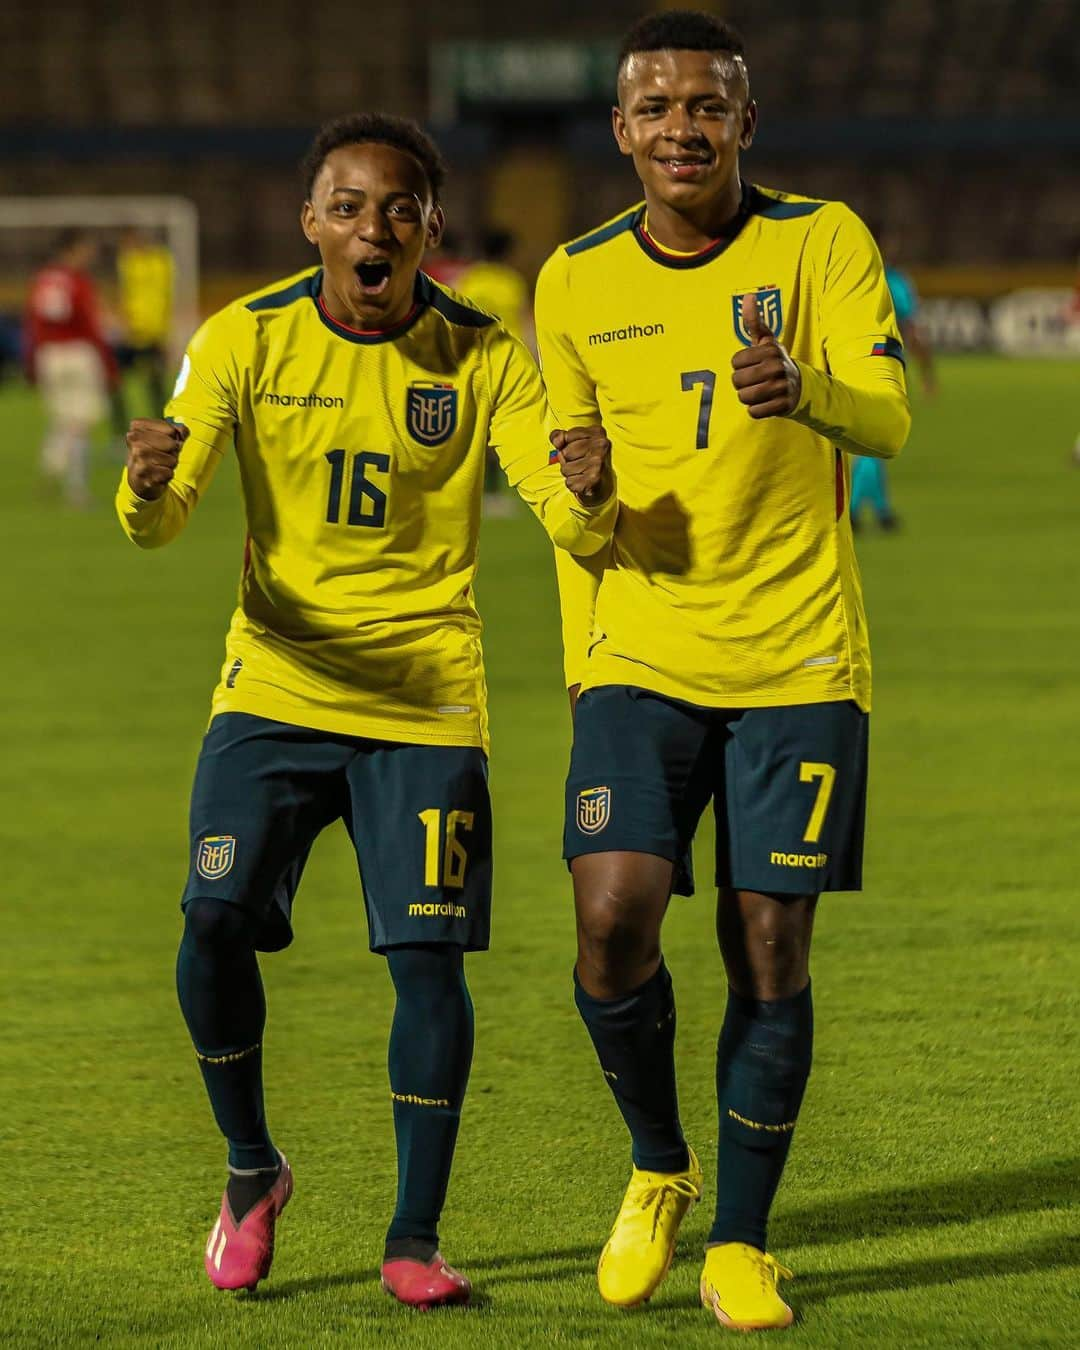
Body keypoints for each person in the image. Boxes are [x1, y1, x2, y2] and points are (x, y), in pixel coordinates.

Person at [115, 113, 614, 1309]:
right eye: (347, 206)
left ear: (432, 227)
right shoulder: (244, 336)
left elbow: (557, 507)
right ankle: (250, 1171)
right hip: (275, 688)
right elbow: (166, 511)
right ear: (311, 223)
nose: (372, 227)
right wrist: (142, 488)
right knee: (212, 929)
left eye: (398, 208)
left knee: (428, 966)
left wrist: (589, 496)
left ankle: (412, 1236)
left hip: (426, 702)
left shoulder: (484, 353)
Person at [534, 11, 909, 1332]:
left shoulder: (822, 243)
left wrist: (807, 387)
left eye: (709, 106)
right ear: (624, 129)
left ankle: (741, 1240)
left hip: (799, 652)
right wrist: (579, 511)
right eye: (657, 107)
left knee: (769, 938)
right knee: (610, 915)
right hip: (638, 652)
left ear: (746, 123)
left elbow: (893, 416)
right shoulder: (574, 279)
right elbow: (571, 507)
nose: (682, 127)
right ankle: (657, 1162)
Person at [24, 228, 117, 507]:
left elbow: (33, 323)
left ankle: (51, 466)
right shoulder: (79, 282)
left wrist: (31, 360)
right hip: (78, 353)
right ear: (72, 250)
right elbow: (90, 325)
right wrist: (108, 364)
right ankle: (76, 487)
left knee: (65, 417)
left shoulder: (42, 280)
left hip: (49, 354)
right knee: (81, 421)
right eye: (86, 249)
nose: (90, 255)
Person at [851, 228, 936, 530]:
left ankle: (882, 510)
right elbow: (912, 330)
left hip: (849, 365)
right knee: (874, 441)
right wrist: (928, 374)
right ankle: (853, 509)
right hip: (883, 369)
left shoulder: (847, 276)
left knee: (872, 442)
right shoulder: (896, 283)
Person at [457, 230, 532, 518]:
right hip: (509, 364)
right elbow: (524, 323)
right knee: (505, 428)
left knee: (476, 428)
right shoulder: (511, 282)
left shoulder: (470, 279)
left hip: (475, 361)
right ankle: (494, 493)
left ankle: (476, 491)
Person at [114, 225, 174, 419]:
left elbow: (165, 298)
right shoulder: (126, 262)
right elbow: (124, 295)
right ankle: (119, 429)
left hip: (153, 334)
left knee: (155, 384)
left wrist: (166, 334)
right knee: (114, 382)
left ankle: (164, 426)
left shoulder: (161, 262)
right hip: (130, 333)